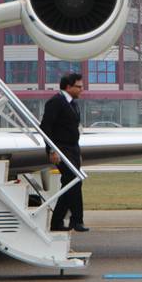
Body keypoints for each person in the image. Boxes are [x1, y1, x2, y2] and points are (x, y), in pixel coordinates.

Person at [40, 73, 89, 232]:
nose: (82, 89)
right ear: (68, 87)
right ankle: (76, 220)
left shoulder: (72, 103)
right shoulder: (56, 102)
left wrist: (77, 151)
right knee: (74, 180)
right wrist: (52, 150)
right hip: (61, 149)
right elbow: (45, 128)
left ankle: (57, 222)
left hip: (72, 149)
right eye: (79, 87)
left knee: (70, 183)